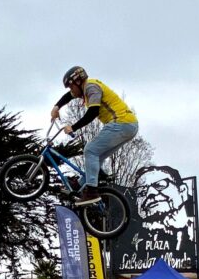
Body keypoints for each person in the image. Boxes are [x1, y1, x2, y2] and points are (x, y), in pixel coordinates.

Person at [50, 66, 139, 206]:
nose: (71, 91)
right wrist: (56, 107)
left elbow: (93, 112)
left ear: (78, 81)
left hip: (121, 122)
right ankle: (80, 184)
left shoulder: (91, 87)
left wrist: (73, 127)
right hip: (128, 126)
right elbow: (68, 97)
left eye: (71, 87)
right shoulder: (84, 88)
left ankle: (91, 191)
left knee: (90, 150)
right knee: (96, 157)